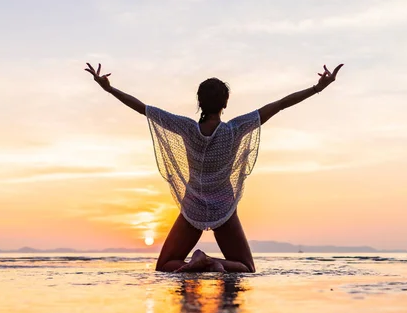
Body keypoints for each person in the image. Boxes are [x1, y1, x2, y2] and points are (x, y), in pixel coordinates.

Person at [85, 62, 343, 273]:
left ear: (199, 102)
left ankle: (195, 264)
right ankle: (212, 263)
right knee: (246, 267)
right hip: (223, 206)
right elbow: (280, 104)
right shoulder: (235, 129)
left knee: (165, 265)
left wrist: (109, 89)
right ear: (225, 103)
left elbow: (143, 108)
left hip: (193, 205)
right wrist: (318, 87)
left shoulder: (186, 127)